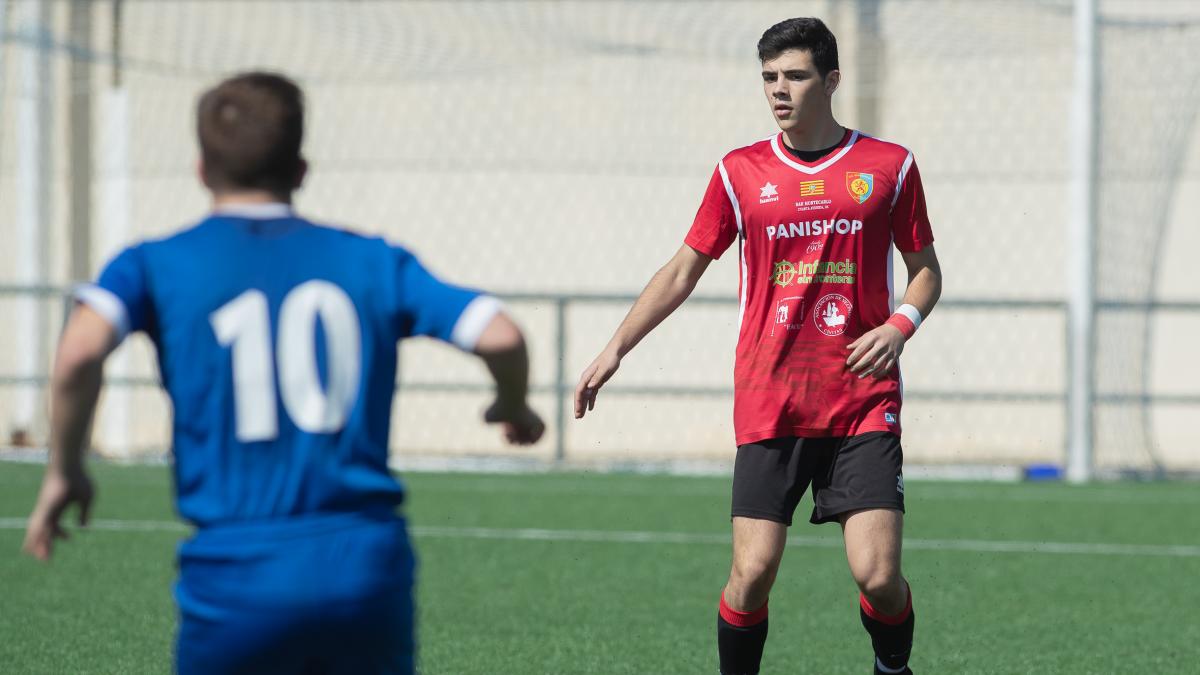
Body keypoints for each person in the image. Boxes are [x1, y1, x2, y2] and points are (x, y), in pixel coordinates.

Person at [22, 71, 544, 674]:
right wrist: (512, 403)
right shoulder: (371, 259)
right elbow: (501, 333)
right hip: (362, 566)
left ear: (201, 169)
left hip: (235, 573)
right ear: (300, 169)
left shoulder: (154, 263)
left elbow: (78, 354)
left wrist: (65, 468)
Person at [574, 17, 941, 675]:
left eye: (795, 75)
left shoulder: (888, 166)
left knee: (878, 575)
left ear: (831, 80)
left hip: (861, 401)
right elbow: (683, 269)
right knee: (751, 572)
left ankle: (893, 668)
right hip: (771, 398)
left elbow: (926, 270)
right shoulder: (738, 172)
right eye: (769, 77)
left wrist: (899, 326)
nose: (779, 89)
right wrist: (615, 347)